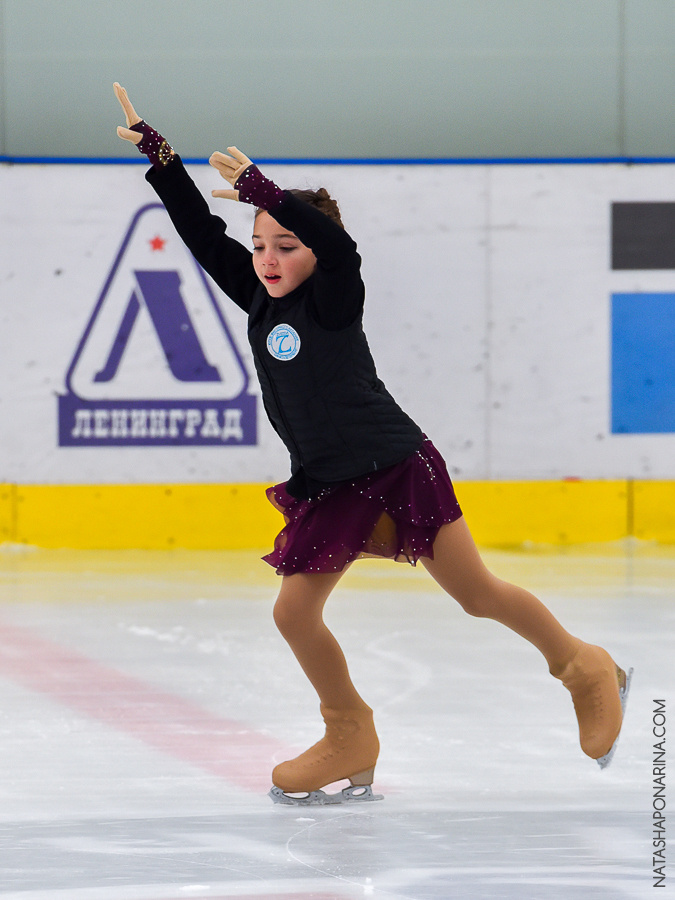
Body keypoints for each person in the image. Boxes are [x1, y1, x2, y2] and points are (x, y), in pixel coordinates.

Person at [113, 83, 632, 805]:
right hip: (328, 481)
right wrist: (161, 157)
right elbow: (204, 235)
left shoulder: (334, 293)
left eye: (284, 244)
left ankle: (583, 666)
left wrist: (266, 189)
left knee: (477, 595)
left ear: (313, 251)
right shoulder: (260, 294)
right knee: (294, 611)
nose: (266, 256)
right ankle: (349, 732)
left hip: (394, 466)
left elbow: (338, 245)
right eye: (259, 242)